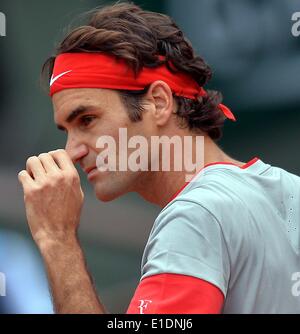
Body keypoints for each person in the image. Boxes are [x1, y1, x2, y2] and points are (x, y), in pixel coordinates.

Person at [18, 3, 300, 314]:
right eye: (66, 130)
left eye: (87, 119)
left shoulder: (195, 215)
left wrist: (57, 240)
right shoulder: (292, 191)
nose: (73, 151)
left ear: (159, 102)